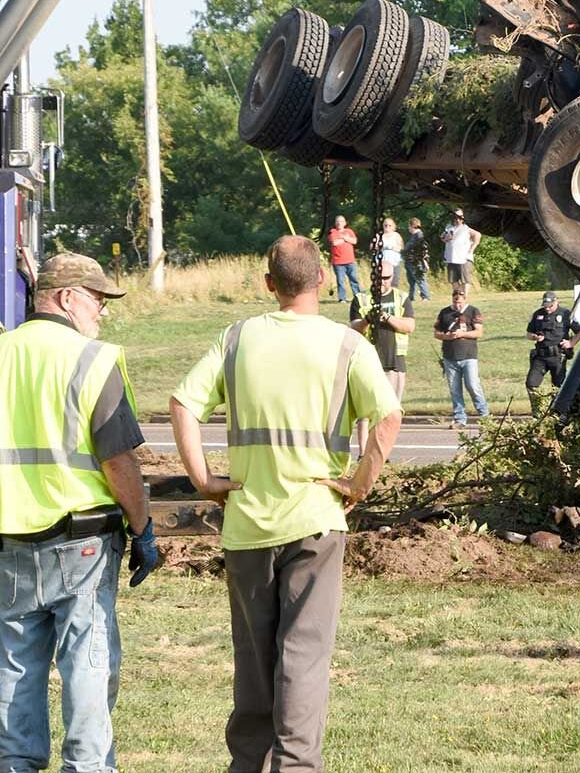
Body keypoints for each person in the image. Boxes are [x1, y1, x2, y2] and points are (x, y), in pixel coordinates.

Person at [170, 235, 401, 773]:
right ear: (322, 279)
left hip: (248, 523)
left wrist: (203, 478)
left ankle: (248, 764)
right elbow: (388, 418)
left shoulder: (237, 338)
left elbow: (183, 402)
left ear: (269, 284)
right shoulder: (347, 345)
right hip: (316, 521)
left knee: (254, 659)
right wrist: (359, 484)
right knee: (304, 657)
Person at [0, 253, 160, 773]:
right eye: (97, 300)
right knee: (88, 661)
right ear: (67, 298)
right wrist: (143, 529)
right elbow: (119, 463)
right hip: (83, 542)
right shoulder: (93, 359)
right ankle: (88, 767)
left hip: (10, 541)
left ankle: (15, 762)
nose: (101, 313)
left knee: (14, 665)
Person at [353, 259, 414, 445]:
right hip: (368, 361)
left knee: (390, 412)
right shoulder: (361, 298)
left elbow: (409, 325)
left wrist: (387, 317)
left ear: (392, 277)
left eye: (386, 278)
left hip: (394, 361)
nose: (382, 282)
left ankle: (384, 451)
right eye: (379, 278)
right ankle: (363, 452)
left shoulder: (401, 297)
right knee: (366, 411)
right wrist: (367, 320)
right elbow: (353, 328)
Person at [433, 285, 490, 430]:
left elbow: (478, 332)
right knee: (455, 389)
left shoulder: (473, 311)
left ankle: (485, 416)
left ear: (465, 299)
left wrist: (462, 334)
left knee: (473, 385)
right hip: (450, 357)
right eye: (455, 301)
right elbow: (436, 333)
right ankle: (460, 418)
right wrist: (447, 336)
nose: (457, 304)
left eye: (460, 301)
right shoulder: (444, 313)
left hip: (469, 356)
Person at [525, 291, 580, 400]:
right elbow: (528, 334)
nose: (547, 308)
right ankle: (538, 410)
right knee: (531, 384)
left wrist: (571, 343)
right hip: (541, 356)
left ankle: (556, 410)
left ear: (556, 302)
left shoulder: (566, 314)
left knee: (559, 387)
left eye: (550, 306)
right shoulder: (538, 314)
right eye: (545, 306)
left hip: (557, 356)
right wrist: (535, 337)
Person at [441, 208, 480, 293]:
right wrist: (446, 238)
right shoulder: (449, 227)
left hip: (463, 258)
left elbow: (477, 235)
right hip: (451, 258)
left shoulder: (467, 227)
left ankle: (464, 297)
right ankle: (458, 295)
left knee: (465, 280)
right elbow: (442, 237)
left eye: (460, 217)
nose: (458, 219)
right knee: (453, 280)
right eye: (456, 217)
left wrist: (471, 249)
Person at [327, 214, 360, 302]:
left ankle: (358, 296)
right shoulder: (333, 232)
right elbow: (334, 243)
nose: (339, 223)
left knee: (354, 279)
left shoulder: (349, 231)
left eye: (341, 221)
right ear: (335, 223)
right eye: (337, 221)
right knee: (340, 281)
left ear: (345, 223)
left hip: (350, 260)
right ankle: (342, 298)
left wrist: (344, 237)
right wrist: (347, 239)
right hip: (338, 262)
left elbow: (355, 241)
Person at [403, 216, 431, 301]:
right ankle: (411, 297)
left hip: (416, 261)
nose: (408, 228)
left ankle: (425, 296)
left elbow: (423, 249)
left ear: (412, 226)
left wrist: (424, 261)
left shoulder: (419, 236)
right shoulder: (414, 236)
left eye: (409, 226)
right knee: (411, 281)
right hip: (410, 261)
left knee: (420, 279)